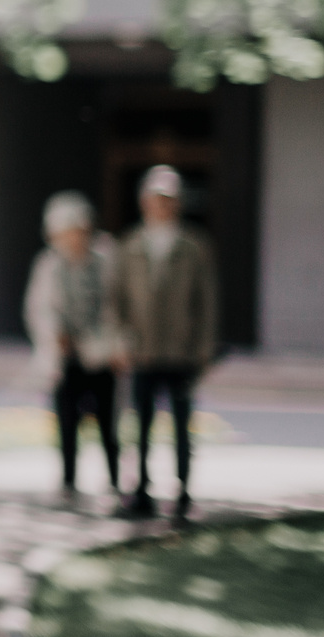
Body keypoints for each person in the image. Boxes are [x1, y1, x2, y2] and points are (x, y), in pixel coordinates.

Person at [114, 164, 217, 523]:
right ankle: (140, 488)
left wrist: (203, 346)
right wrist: (120, 341)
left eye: (169, 200)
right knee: (138, 424)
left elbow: (206, 301)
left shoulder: (194, 246)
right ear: (145, 202)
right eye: (156, 199)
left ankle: (183, 491)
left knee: (181, 424)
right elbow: (117, 300)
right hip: (142, 349)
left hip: (180, 350)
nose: (162, 206)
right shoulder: (130, 245)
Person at [23, 190, 122, 506]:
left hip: (100, 355)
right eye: (65, 233)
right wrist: (54, 338)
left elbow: (117, 307)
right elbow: (38, 310)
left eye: (78, 231)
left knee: (107, 422)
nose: (73, 239)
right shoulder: (49, 266)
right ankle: (68, 481)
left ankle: (115, 480)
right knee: (66, 422)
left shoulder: (105, 260)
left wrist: (115, 345)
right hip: (65, 359)